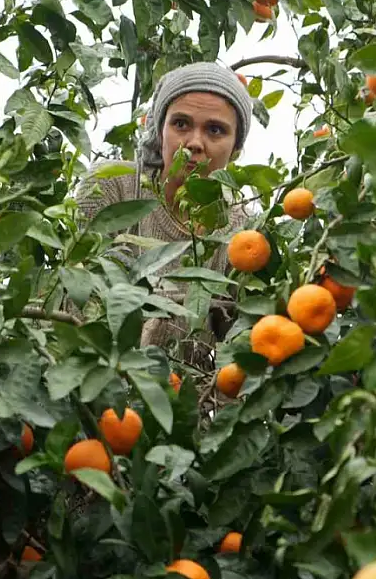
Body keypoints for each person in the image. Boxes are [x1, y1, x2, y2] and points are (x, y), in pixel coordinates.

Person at [75, 62, 256, 371]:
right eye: (181, 124)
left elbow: (237, 351)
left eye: (215, 130)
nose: (195, 143)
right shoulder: (111, 187)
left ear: (236, 148)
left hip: (178, 403)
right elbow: (84, 303)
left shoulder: (243, 234)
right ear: (160, 131)